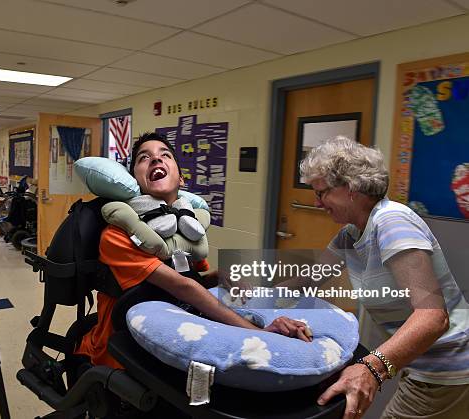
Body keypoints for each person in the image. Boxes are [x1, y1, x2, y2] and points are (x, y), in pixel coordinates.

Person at [76, 132, 311, 369]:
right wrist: (261, 332)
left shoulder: (185, 230)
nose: (156, 160)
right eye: (144, 158)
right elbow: (182, 287)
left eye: (165, 155)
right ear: (135, 180)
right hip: (124, 355)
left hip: (177, 331)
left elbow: (192, 280)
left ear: (181, 179)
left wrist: (217, 277)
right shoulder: (119, 234)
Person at [298, 137, 469, 418]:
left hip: (446, 370)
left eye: (322, 193)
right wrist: (249, 289)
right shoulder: (351, 233)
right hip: (423, 365)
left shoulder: (392, 222)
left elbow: (433, 317)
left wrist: (370, 369)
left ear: (351, 188)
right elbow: (308, 278)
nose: (317, 203)